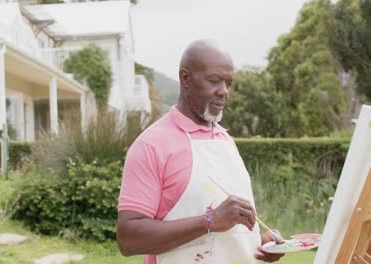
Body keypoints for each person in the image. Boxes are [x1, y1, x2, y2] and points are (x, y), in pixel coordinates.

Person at [116, 39, 285, 264]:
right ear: (185, 78)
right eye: (214, 81)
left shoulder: (225, 140)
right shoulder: (150, 146)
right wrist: (209, 221)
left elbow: (231, 229)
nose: (224, 91)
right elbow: (128, 239)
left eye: (228, 83)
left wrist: (259, 243)